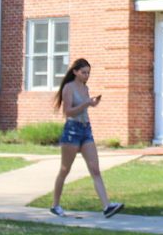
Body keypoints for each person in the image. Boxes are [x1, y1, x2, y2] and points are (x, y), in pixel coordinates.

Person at [50, 58, 124, 218]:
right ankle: (55, 205)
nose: (86, 75)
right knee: (65, 169)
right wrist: (86, 104)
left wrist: (93, 103)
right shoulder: (69, 88)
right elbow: (68, 112)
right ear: (75, 72)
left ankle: (107, 207)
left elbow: (85, 107)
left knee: (95, 169)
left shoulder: (85, 88)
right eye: (84, 72)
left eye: (88, 73)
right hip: (72, 131)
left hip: (86, 130)